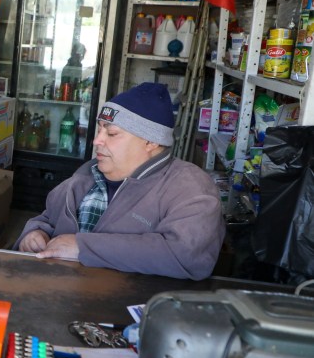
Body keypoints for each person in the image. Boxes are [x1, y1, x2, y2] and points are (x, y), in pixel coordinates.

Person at [14, 82, 224, 280]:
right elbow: (49, 217)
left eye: (112, 133)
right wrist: (35, 233)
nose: (97, 141)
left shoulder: (190, 187)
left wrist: (83, 247)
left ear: (150, 141)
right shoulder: (88, 172)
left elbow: (186, 255)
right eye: (99, 129)